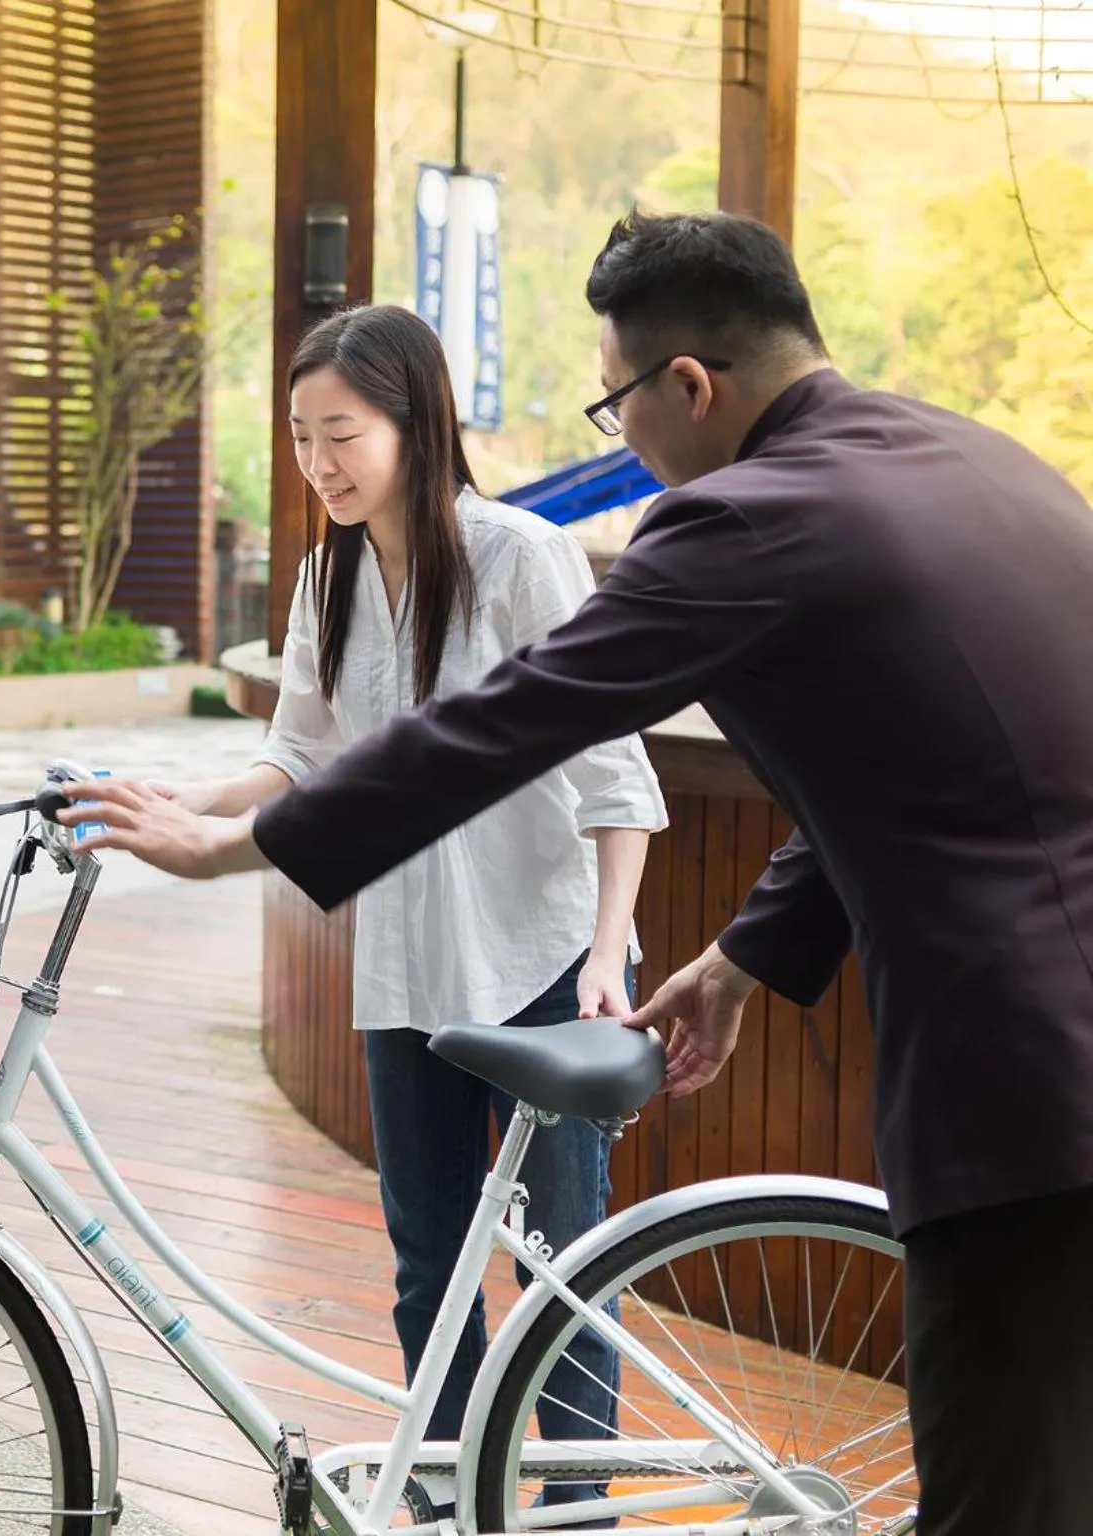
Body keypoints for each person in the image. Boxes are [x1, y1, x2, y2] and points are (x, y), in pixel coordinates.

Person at [64, 209, 1093, 1536]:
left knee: (1007, 1497)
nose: (631, 448)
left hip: (1030, 1080)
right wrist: (737, 957)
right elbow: (939, 779)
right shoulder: (980, 462)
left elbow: (517, 717)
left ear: (690, 386)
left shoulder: (743, 519)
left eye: (618, 410)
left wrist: (243, 846)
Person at [152, 305, 664, 1490]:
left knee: (556, 1261)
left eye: (341, 433)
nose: (318, 464)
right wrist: (170, 805)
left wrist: (602, 958)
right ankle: (445, 1492)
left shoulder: (516, 557)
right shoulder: (324, 577)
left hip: (545, 955)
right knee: (426, 1261)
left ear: (413, 423)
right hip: (405, 966)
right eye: (297, 437)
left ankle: (573, 1510)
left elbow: (616, 778)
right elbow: (295, 759)